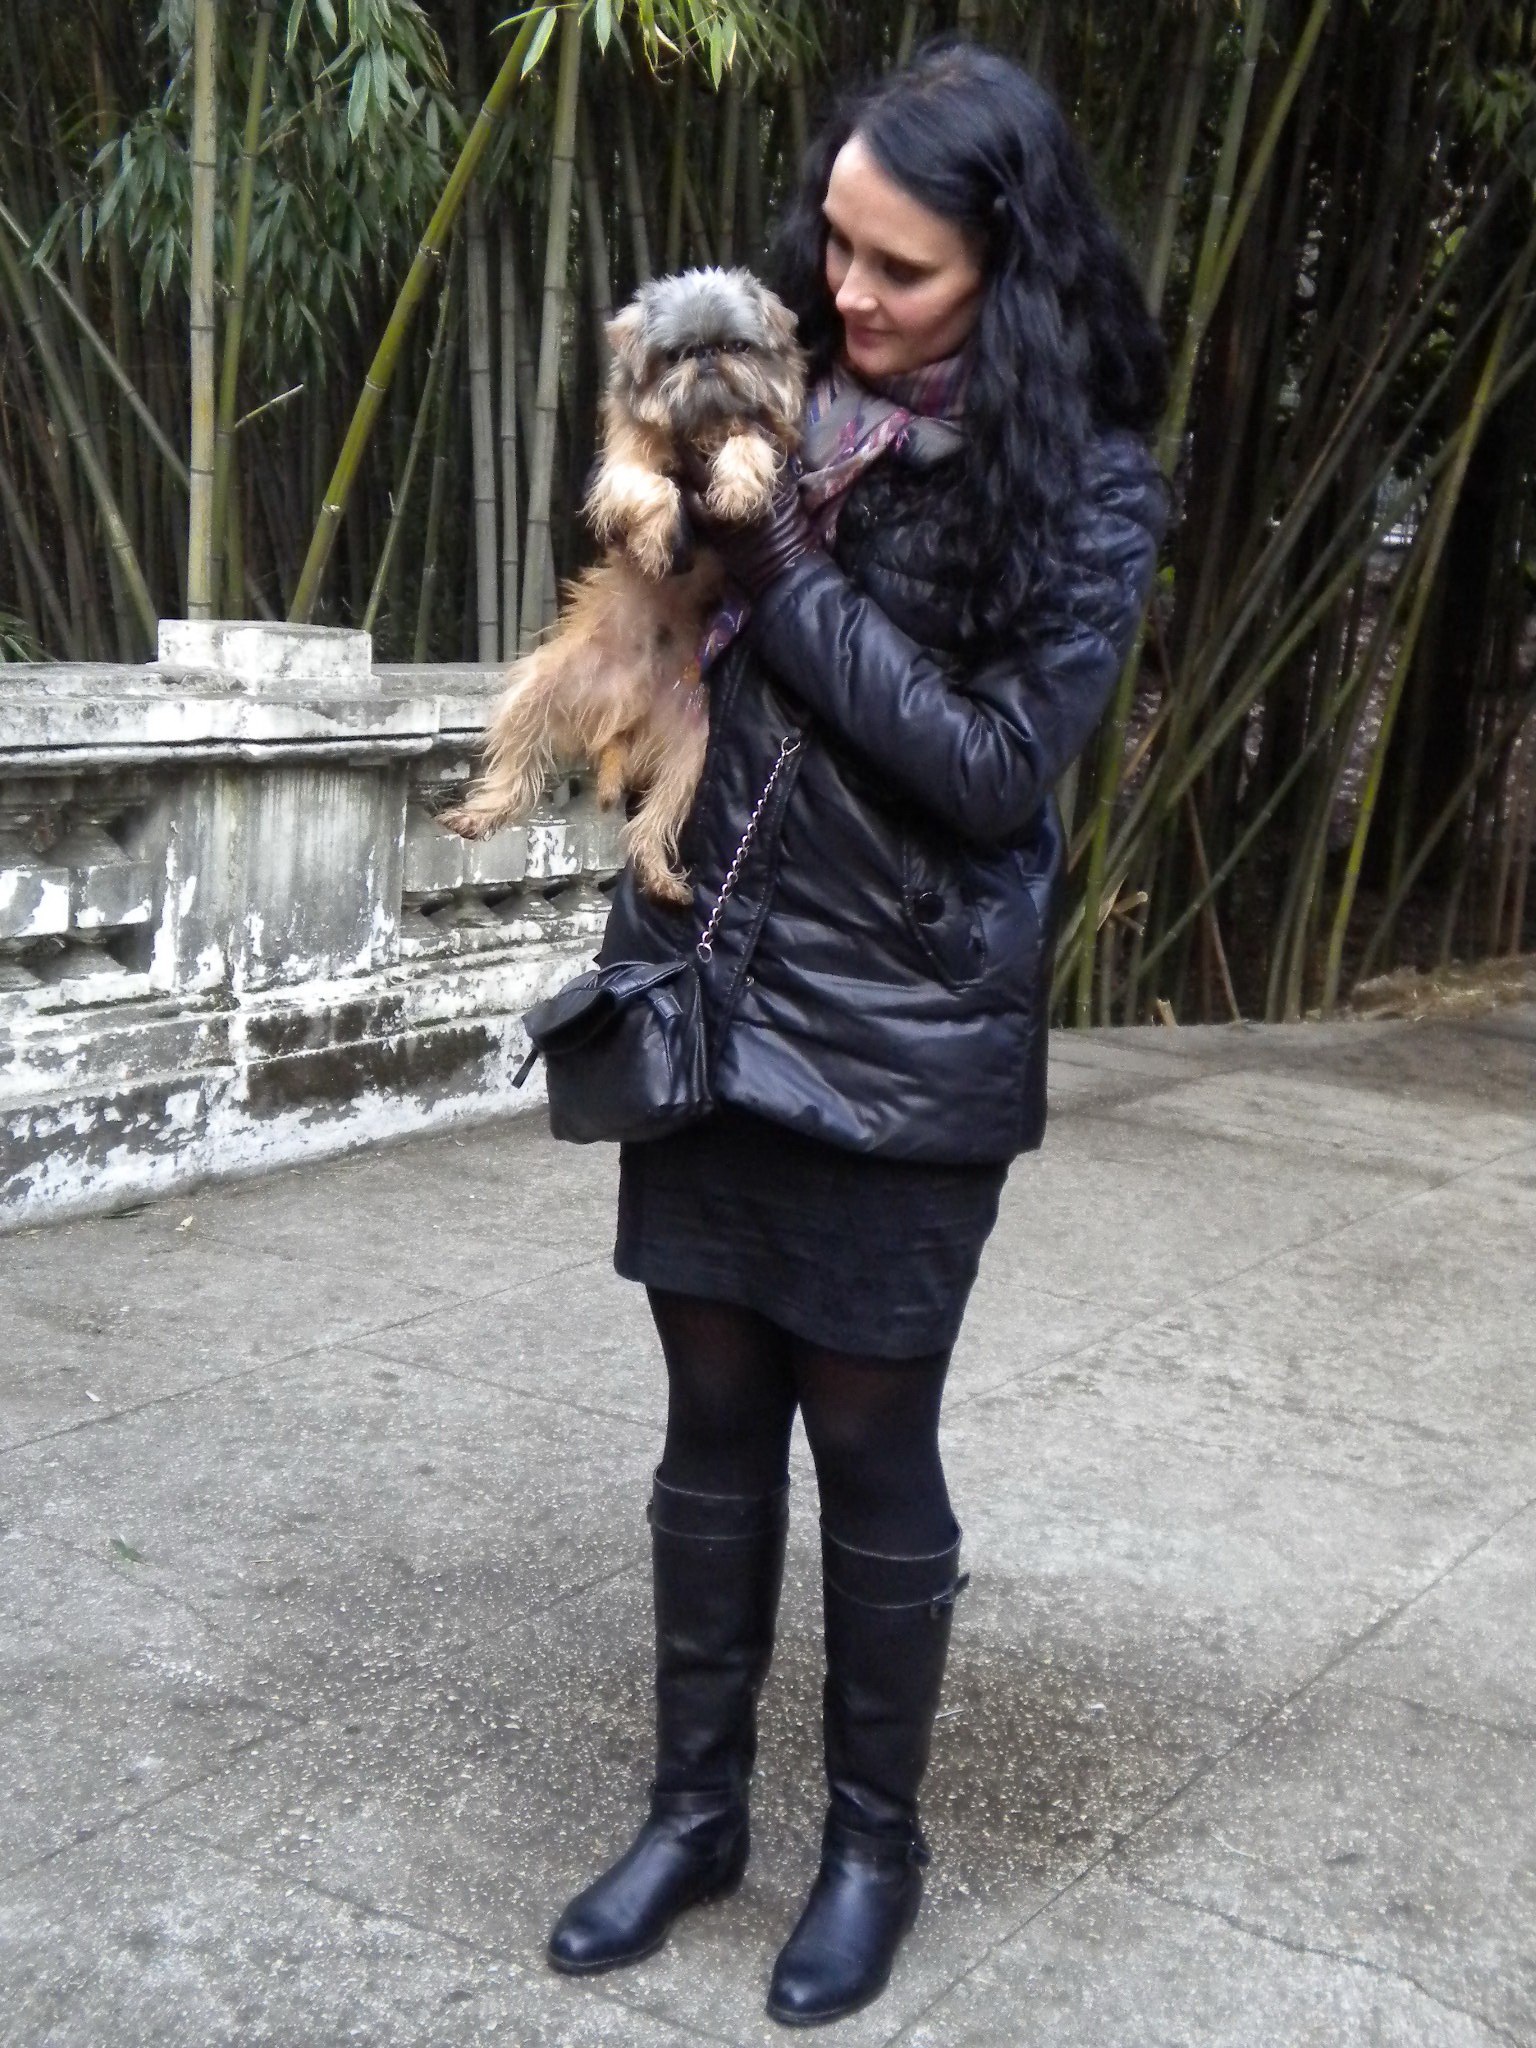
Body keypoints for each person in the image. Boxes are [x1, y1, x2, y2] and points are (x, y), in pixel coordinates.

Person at [545, 40, 1171, 2028]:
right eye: (835, 244)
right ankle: (693, 1813)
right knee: (709, 1424)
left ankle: (873, 1849)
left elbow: (988, 769)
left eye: (901, 265)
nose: (849, 291)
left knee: (870, 1442)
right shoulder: (774, 383)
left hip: (903, 1041)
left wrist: (778, 559)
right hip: (707, 987)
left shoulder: (1087, 479)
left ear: (1010, 265)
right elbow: (647, 603)